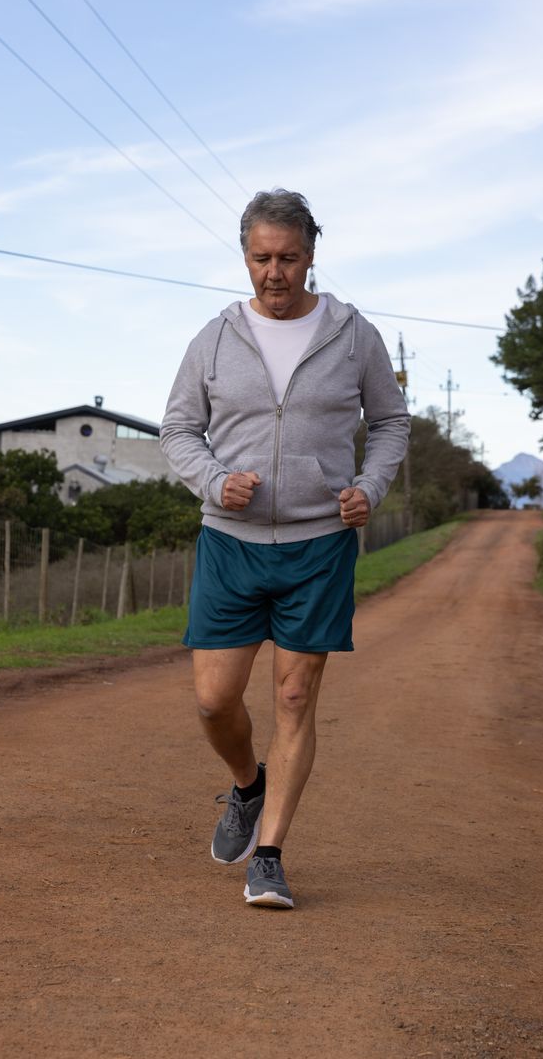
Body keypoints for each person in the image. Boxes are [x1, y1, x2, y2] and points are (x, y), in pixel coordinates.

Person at [160, 189, 410, 909]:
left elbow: (391, 422)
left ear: (311, 256)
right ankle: (248, 786)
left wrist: (370, 487)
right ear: (245, 257)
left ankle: (268, 856)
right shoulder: (213, 339)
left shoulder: (353, 335)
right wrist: (214, 481)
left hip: (319, 544)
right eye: (262, 258)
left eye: (289, 258)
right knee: (214, 702)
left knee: (295, 697)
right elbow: (178, 429)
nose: (275, 273)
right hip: (231, 542)